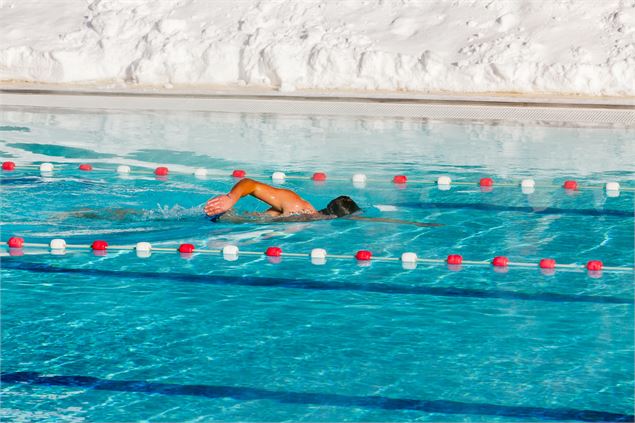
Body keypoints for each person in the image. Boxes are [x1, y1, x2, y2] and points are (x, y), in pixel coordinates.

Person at [204, 178, 441, 227]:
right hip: (220, 219)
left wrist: (415, 224)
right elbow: (251, 184)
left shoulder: (318, 218)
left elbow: (369, 218)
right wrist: (229, 198)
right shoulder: (297, 206)